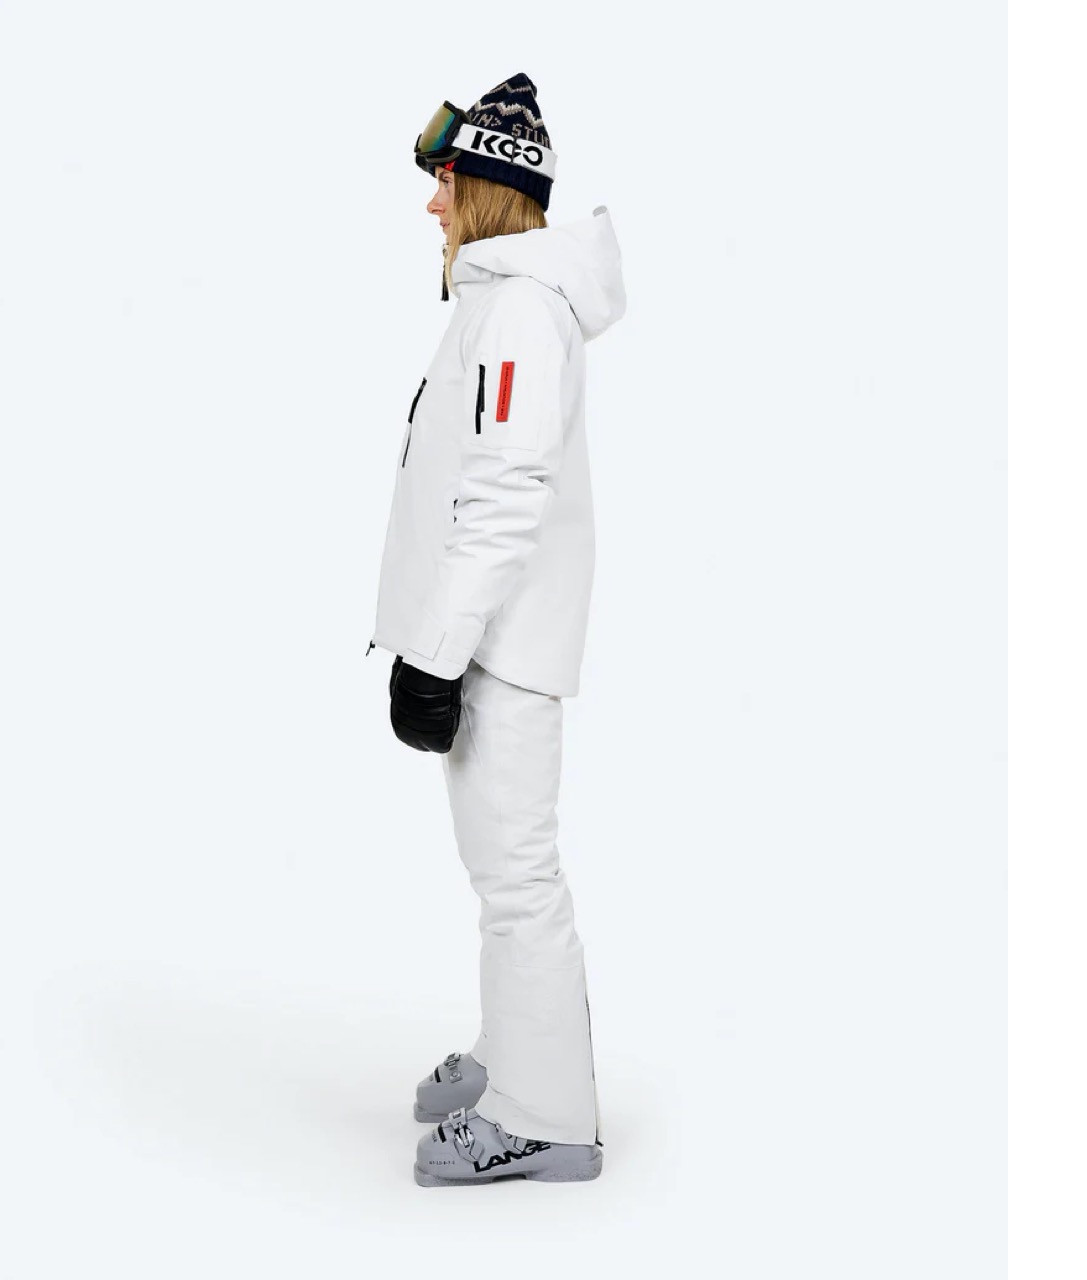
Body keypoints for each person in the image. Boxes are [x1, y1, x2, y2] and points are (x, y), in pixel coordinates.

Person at [365, 72, 626, 1187]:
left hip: (499, 650)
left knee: (516, 877)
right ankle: (518, 1054)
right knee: (499, 871)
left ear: (488, 188)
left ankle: (545, 1115)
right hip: (480, 639)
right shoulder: (497, 301)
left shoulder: (519, 309)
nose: (432, 203)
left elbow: (506, 496)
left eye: (446, 180)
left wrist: (435, 655)